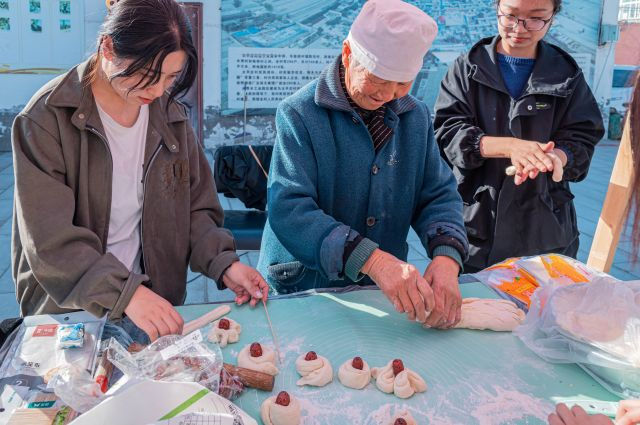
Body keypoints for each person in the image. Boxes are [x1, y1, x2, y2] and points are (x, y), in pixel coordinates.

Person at [11, 0, 267, 341]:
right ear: (108, 46)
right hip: (72, 315)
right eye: (146, 77)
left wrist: (224, 263)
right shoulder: (46, 119)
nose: (158, 91)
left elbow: (195, 209)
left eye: (170, 78)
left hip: (151, 306)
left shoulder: (169, 116)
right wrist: (126, 292)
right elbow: (50, 242)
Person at [257, 0, 469, 329]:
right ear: (347, 54)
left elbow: (438, 195)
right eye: (379, 79)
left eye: (402, 83)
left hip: (376, 292)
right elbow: (289, 208)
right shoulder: (300, 113)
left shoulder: (414, 117)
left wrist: (446, 257)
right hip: (305, 287)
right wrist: (370, 258)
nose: (388, 94)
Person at [434, 0, 604, 272]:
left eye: (536, 18)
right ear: (497, 10)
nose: (519, 28)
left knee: (544, 308)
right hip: (477, 224)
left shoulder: (566, 74)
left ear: (553, 17)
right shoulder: (467, 68)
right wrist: (510, 147)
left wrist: (556, 157)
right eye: (510, 16)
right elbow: (448, 130)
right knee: (479, 310)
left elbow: (583, 135)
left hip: (544, 225)